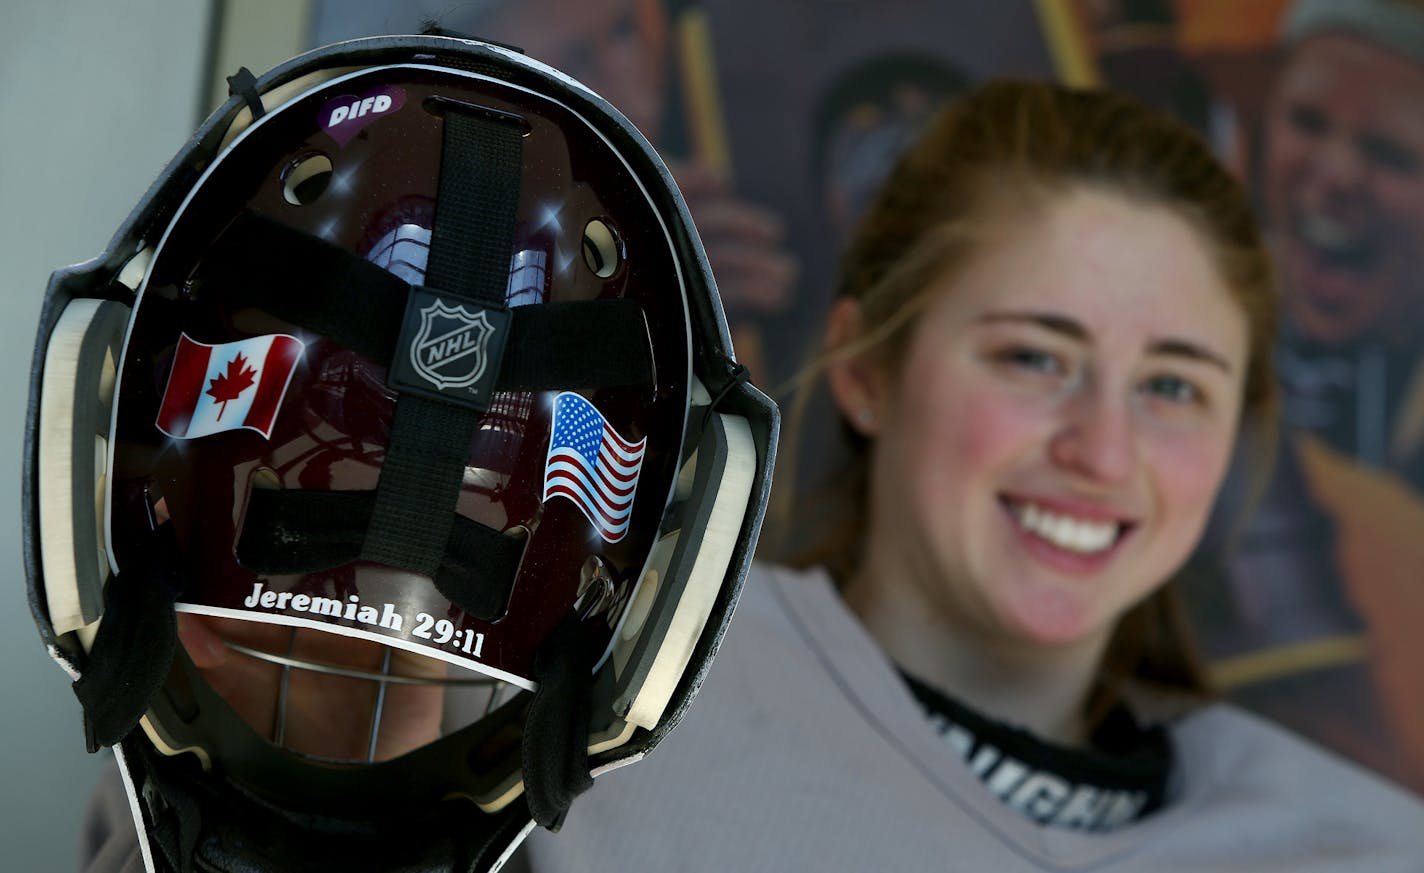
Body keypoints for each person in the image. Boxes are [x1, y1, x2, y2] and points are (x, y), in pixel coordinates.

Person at [513, 79, 1424, 871]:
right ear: (867, 371)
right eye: (1034, 358)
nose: (1103, 452)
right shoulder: (587, 679)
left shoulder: (1372, 850)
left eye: (1174, 385)